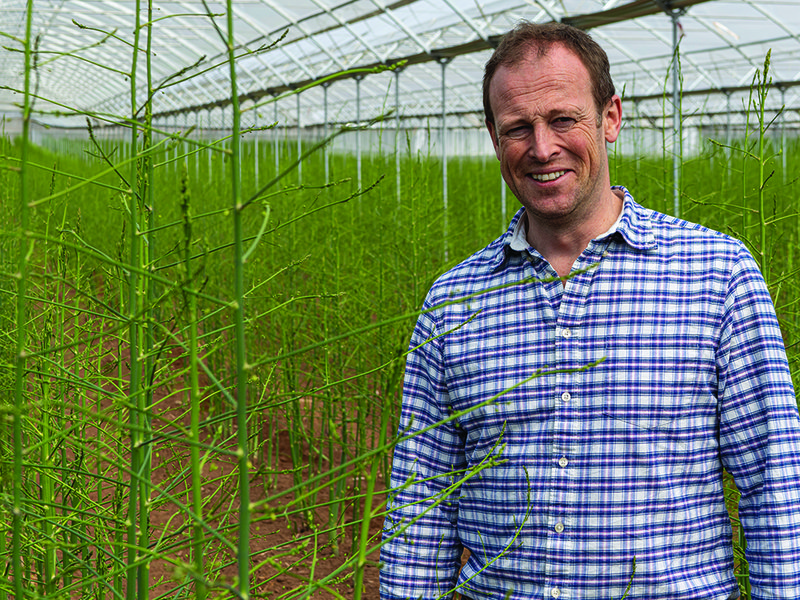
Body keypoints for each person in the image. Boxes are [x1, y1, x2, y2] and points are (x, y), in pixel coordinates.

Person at [379, 20, 800, 600]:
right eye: (518, 128)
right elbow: (420, 507)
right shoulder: (452, 302)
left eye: (563, 119)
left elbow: (774, 486)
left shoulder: (717, 274)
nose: (542, 147)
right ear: (495, 138)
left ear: (610, 118)